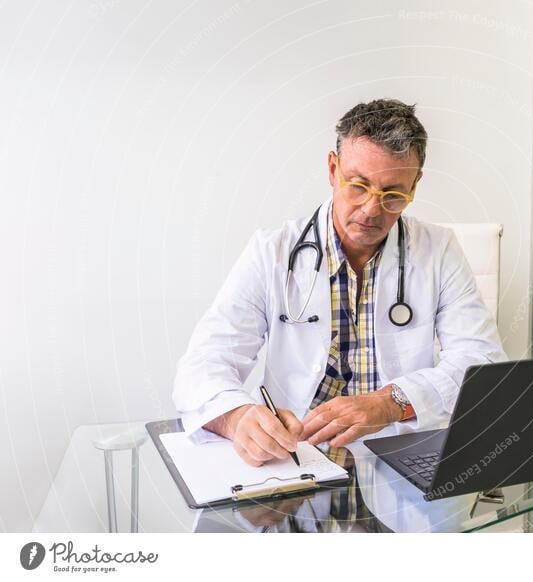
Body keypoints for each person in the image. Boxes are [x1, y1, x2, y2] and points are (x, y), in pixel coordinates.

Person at [173, 98, 507, 467]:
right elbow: (203, 364)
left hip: (398, 456)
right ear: (333, 170)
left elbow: (483, 364)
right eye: (358, 186)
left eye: (393, 194)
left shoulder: (439, 252)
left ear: (415, 185)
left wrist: (389, 402)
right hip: (298, 456)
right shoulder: (272, 253)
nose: (371, 210)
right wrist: (237, 419)